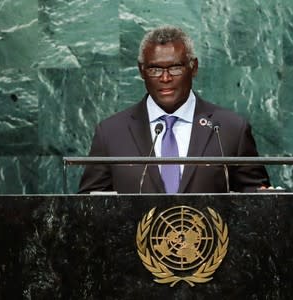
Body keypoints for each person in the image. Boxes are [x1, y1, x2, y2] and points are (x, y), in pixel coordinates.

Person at [78, 25, 270, 194]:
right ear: (141, 71)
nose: (165, 78)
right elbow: (88, 207)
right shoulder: (111, 132)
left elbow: (255, 199)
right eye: (155, 69)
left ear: (193, 67)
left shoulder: (230, 129)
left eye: (175, 68)